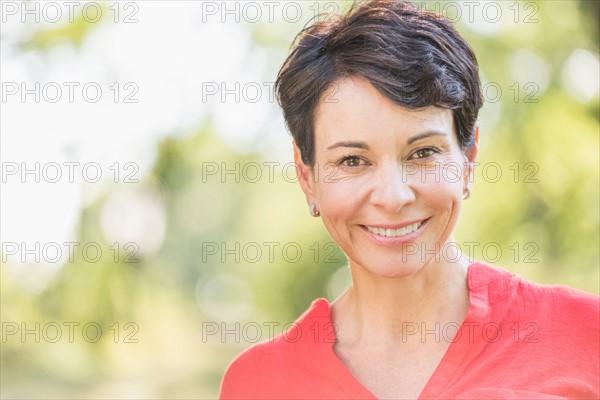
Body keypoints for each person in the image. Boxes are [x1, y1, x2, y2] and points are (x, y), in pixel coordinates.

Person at [219, 0, 600, 398]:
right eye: (353, 160)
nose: (393, 196)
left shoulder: (586, 336)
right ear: (307, 176)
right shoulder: (258, 383)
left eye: (422, 153)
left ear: (467, 159)